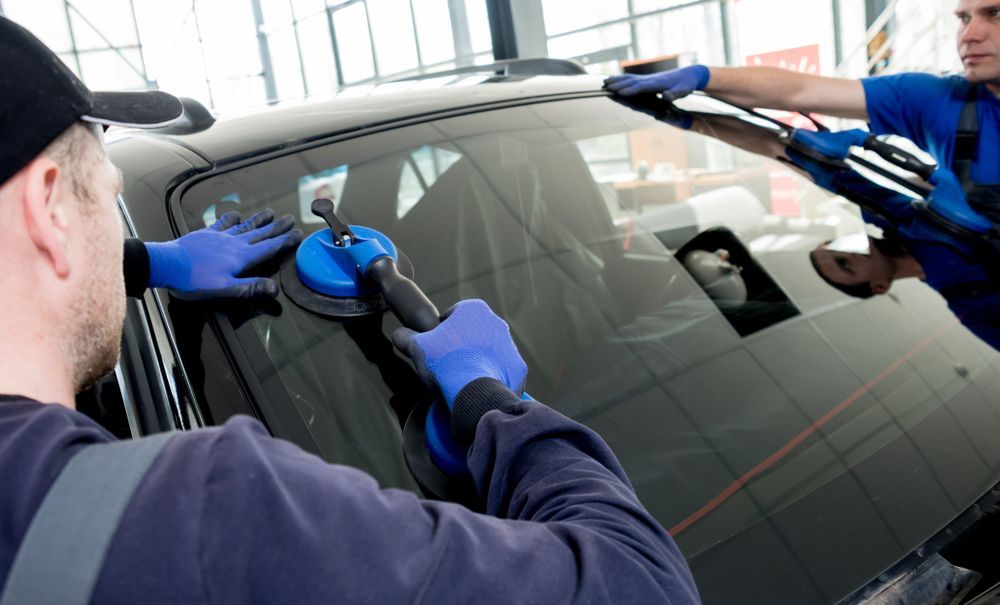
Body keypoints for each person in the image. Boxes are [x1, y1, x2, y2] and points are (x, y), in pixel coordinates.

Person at [0, 16, 699, 604]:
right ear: (49, 208)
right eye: (106, 189)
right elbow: (641, 580)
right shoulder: (214, 514)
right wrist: (499, 407)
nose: (120, 232)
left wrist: (143, 261)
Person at [605, 0, 1000, 198]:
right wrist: (706, 77)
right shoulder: (939, 100)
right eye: (964, 19)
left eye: (993, 14)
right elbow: (801, 91)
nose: (969, 35)